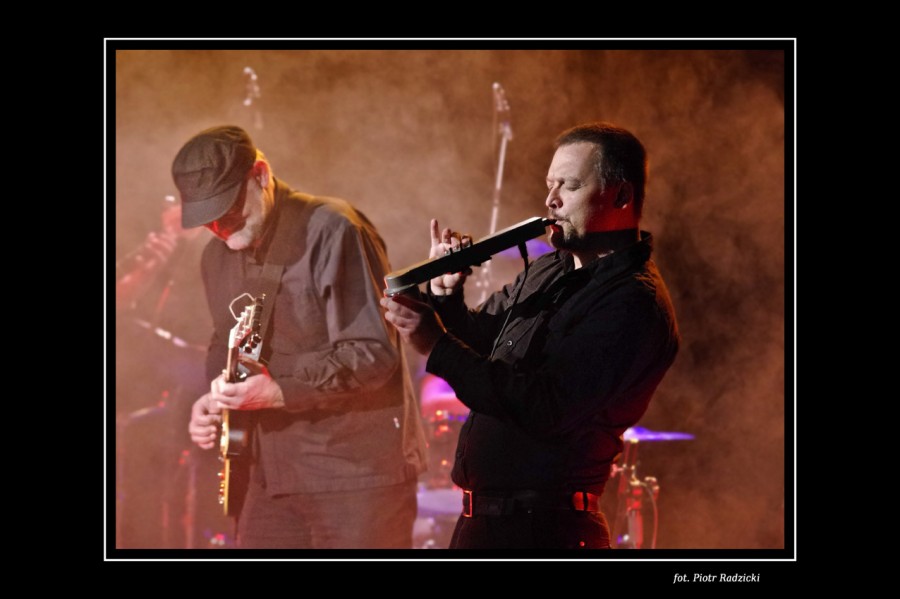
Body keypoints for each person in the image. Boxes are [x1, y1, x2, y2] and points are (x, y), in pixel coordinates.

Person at [381, 122, 680, 549]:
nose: (550, 200)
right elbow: (487, 342)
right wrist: (447, 300)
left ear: (621, 196)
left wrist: (435, 345)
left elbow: (544, 406)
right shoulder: (551, 268)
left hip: (546, 532)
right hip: (484, 525)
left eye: (569, 185)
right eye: (549, 184)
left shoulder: (633, 303)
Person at [175, 125, 426, 549]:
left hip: (353, 478)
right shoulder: (215, 257)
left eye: (228, 208)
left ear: (260, 175)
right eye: (207, 217)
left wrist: (280, 391)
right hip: (267, 480)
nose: (219, 226)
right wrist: (215, 399)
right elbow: (225, 344)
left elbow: (372, 353)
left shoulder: (333, 229)